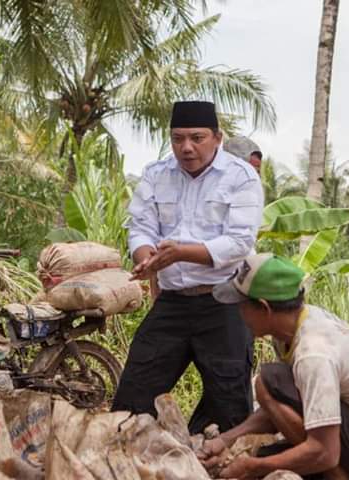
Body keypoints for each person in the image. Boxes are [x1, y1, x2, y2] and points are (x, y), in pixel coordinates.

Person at [111, 100, 264, 434]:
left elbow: (239, 242)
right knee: (131, 402)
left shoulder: (241, 178)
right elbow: (140, 228)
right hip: (173, 303)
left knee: (230, 411)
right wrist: (146, 258)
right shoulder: (155, 174)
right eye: (178, 138)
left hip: (224, 304)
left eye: (197, 137)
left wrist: (180, 253)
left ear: (217, 138)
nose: (187, 147)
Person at [199, 253, 349, 479]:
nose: (239, 313)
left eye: (242, 305)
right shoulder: (292, 327)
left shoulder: (313, 354)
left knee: (266, 383)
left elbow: (326, 453)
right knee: (266, 449)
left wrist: (253, 467)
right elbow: (277, 408)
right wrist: (227, 439)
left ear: (264, 308)